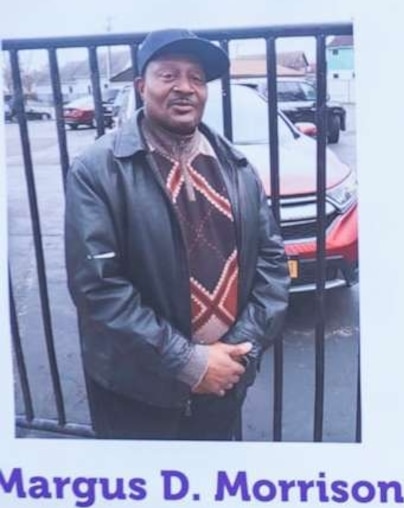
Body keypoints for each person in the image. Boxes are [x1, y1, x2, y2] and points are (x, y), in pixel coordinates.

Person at [61, 29, 291, 442]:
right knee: (139, 500)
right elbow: (99, 290)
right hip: (137, 393)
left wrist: (235, 353)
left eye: (197, 78)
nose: (185, 87)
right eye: (168, 75)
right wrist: (188, 362)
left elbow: (273, 266)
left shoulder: (237, 168)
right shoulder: (98, 169)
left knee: (209, 494)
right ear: (140, 86)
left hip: (224, 381)